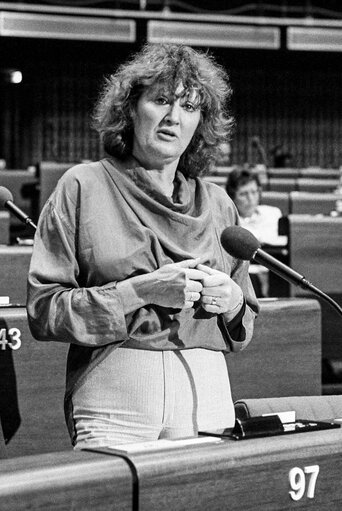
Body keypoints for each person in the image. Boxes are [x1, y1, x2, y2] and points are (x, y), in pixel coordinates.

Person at [27, 43, 259, 449]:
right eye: (162, 100)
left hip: (208, 395)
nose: (174, 117)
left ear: (201, 123)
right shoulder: (82, 186)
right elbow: (44, 310)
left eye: (189, 106)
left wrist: (235, 301)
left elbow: (244, 326)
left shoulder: (220, 204)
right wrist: (139, 291)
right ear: (131, 109)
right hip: (116, 396)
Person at [225, 167, 287, 247]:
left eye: (254, 192)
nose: (250, 199)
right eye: (243, 194)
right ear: (232, 197)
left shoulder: (274, 213)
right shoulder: (230, 223)